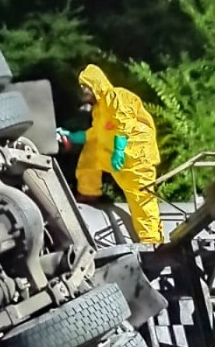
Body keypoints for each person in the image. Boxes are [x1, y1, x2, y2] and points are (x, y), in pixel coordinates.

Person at [57, 64, 163, 244]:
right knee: (91, 150)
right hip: (117, 155)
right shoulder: (99, 110)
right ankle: (88, 192)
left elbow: (124, 124)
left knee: (141, 200)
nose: (83, 91)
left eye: (86, 87)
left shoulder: (116, 97)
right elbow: (95, 134)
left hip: (136, 157)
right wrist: (72, 136)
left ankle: (153, 243)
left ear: (95, 85)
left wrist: (119, 151)